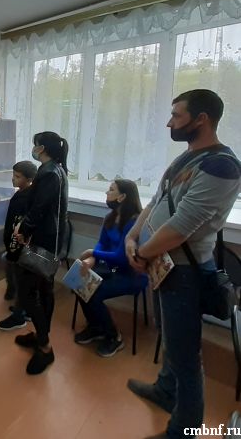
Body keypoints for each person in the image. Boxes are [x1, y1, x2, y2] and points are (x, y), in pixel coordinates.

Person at [124, 90, 241, 439]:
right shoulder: (185, 159)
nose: (169, 123)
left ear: (201, 119)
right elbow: (155, 203)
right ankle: (165, 390)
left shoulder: (222, 165)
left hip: (184, 272)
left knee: (187, 357)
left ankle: (183, 430)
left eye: (176, 115)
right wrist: (132, 237)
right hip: (162, 265)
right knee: (170, 339)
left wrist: (142, 254)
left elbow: (181, 227)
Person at [14, 131, 69, 375]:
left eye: (35, 145)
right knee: (44, 289)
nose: (33, 148)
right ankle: (40, 335)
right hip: (51, 239)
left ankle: (45, 347)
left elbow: (39, 208)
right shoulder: (56, 169)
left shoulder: (48, 173)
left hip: (44, 240)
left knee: (27, 291)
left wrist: (23, 230)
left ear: (42, 148)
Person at [74, 179, 148, 357]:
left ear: (122, 197)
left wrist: (93, 253)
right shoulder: (110, 217)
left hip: (132, 274)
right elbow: (102, 243)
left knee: (94, 293)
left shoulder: (134, 222)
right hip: (112, 268)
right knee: (79, 282)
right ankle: (96, 327)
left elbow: (122, 258)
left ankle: (114, 337)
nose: (106, 192)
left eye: (111, 189)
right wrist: (93, 258)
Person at [0, 160, 38, 331]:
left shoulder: (27, 197)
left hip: (18, 245)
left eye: (17, 176)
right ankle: (25, 309)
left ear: (29, 179)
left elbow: (20, 225)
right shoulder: (22, 193)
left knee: (21, 280)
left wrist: (13, 247)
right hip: (14, 244)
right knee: (20, 277)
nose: (13, 179)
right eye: (13, 175)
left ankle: (19, 316)